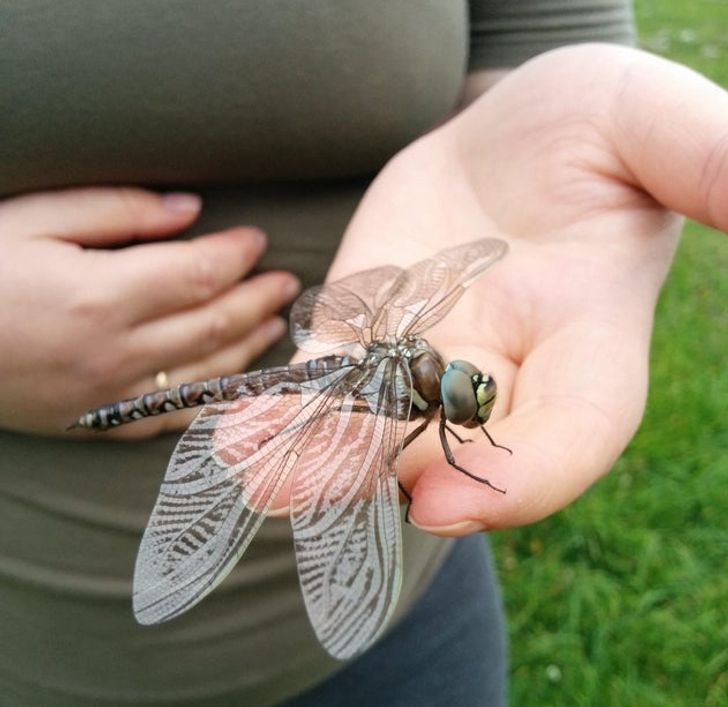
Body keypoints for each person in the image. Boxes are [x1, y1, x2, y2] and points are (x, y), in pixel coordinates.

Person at [1, 2, 725, 705]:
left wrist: (556, 105)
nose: (472, 394)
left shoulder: (421, 360)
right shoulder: (414, 397)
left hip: (422, 620)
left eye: (471, 390)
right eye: (470, 397)